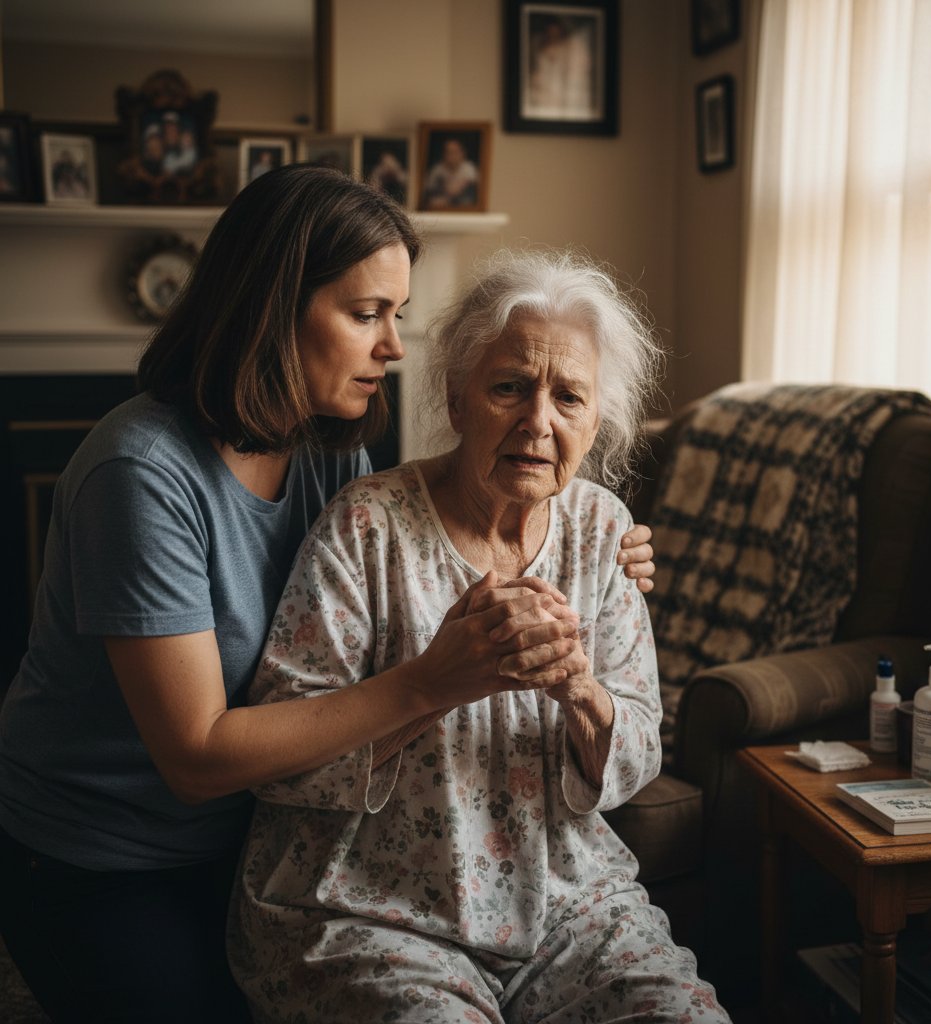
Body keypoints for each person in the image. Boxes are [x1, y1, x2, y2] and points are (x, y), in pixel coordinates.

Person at [0, 167, 656, 1023]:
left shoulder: (328, 449)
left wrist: (607, 551)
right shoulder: (141, 475)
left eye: (398, 316)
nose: (394, 347)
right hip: (112, 852)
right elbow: (196, 759)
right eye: (366, 314)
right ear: (271, 309)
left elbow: (402, 578)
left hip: (251, 835)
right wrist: (433, 679)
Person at [228, 248, 730, 1023]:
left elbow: (635, 753)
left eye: (569, 397)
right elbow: (283, 771)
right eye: (508, 388)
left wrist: (581, 692)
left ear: (596, 422)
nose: (538, 422)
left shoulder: (604, 531)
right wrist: (441, 679)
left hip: (565, 906)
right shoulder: (366, 525)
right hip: (372, 910)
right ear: (458, 401)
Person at [422, 136, 479, 209]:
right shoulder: (437, 170)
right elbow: (430, 194)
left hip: (463, 206)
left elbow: (453, 190)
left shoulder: (470, 169)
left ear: (462, 153)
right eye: (448, 152)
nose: (452, 156)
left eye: (455, 152)